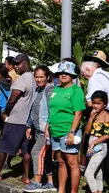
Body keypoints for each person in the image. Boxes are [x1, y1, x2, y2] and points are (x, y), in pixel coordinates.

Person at [0, 54, 36, 183]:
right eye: (14, 63)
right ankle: (26, 176)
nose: (15, 66)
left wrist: (5, 113)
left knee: (4, 146)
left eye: (18, 63)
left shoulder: (22, 80)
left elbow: (13, 99)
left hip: (16, 119)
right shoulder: (32, 78)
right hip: (27, 121)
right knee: (26, 150)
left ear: (26, 64)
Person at [46, 61, 85, 193]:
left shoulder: (76, 90)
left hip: (68, 131)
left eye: (67, 73)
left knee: (72, 162)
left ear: (72, 75)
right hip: (55, 131)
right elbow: (52, 110)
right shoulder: (56, 88)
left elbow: (78, 113)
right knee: (61, 162)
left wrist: (72, 132)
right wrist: (47, 127)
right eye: (61, 72)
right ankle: (61, 190)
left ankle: (73, 191)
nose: (63, 75)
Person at [22, 66, 56, 192]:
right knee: (45, 156)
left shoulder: (49, 90)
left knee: (36, 153)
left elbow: (52, 111)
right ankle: (51, 183)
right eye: (36, 77)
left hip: (45, 130)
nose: (39, 79)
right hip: (37, 129)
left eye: (41, 77)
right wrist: (29, 126)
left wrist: (47, 128)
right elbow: (33, 109)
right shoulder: (38, 90)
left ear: (47, 77)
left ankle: (37, 182)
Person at [84, 91, 109, 193]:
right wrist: (90, 119)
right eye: (94, 103)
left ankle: (95, 191)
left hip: (100, 145)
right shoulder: (93, 115)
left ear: (104, 104)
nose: (95, 105)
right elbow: (87, 131)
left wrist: (94, 142)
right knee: (98, 172)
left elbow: (107, 135)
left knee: (88, 173)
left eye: (98, 103)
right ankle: (99, 190)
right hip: (92, 143)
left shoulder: (106, 116)